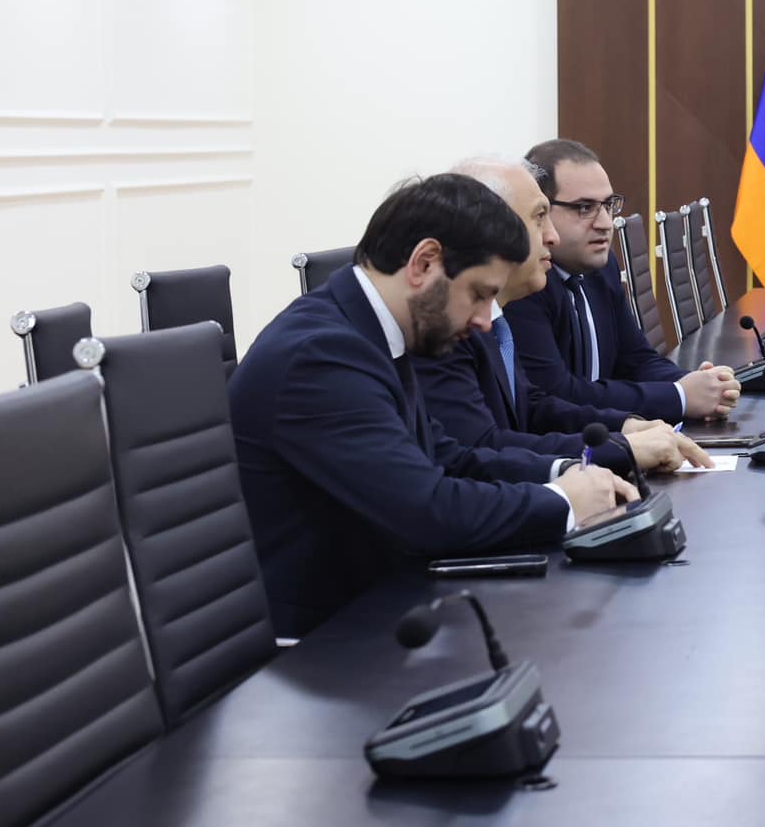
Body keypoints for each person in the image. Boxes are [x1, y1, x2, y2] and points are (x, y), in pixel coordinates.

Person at [230, 174, 638, 637]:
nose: (485, 321)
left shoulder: (372, 330)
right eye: (479, 294)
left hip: (387, 605)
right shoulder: (321, 356)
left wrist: (568, 472)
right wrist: (562, 502)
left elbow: (450, 458)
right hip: (323, 641)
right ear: (424, 263)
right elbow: (426, 510)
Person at [417, 157, 712, 475]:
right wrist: (618, 449)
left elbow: (531, 406)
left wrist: (625, 426)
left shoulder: (493, 315)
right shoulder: (447, 323)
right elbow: (477, 450)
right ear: (486, 231)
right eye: (538, 218)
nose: (552, 236)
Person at [504, 139, 740, 424]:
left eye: (608, 205)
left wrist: (699, 384)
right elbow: (557, 394)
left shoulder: (601, 268)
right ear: (541, 213)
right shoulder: (523, 286)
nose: (605, 223)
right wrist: (679, 396)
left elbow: (636, 359)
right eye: (584, 207)